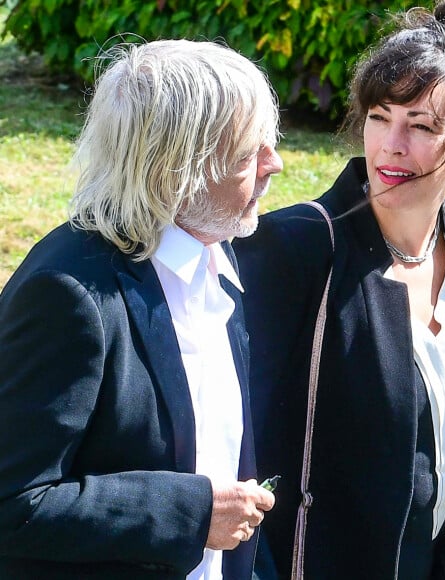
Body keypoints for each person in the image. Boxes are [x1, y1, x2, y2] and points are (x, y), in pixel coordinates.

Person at [234, 0, 445, 578]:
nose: (392, 144)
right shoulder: (294, 248)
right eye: (379, 116)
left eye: (420, 126)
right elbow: (239, 439)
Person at [0, 38, 283, 579]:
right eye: (250, 152)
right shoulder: (68, 296)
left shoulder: (217, 260)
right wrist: (190, 513)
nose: (276, 163)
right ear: (179, 168)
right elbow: (14, 502)